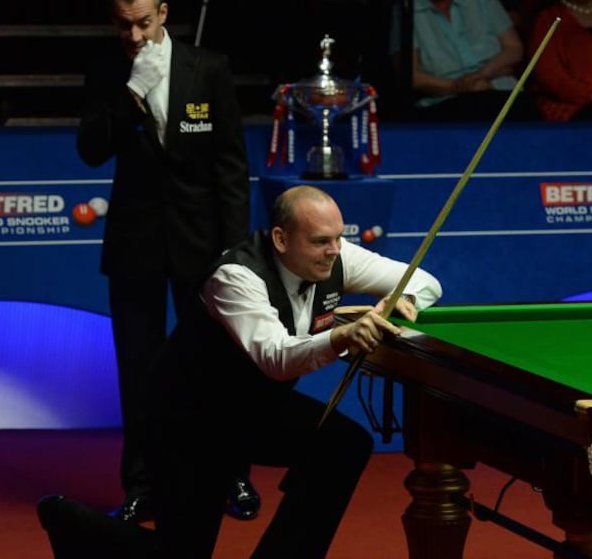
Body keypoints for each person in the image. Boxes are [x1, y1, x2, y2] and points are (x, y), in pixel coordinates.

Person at [36, 185, 444, 559]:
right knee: (180, 553)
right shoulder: (235, 277)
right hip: (187, 420)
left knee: (343, 445)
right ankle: (72, 521)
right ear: (281, 239)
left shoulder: (336, 257)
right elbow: (276, 358)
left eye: (338, 238)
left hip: (253, 408)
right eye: (320, 241)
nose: (334, 250)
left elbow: (425, 282)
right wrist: (342, 336)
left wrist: (397, 300)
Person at [75, 0, 259, 524]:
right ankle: (143, 487)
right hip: (134, 248)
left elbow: (230, 168)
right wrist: (132, 95)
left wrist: (235, 252)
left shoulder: (209, 68)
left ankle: (234, 477)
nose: (133, 36)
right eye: (122, 26)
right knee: (140, 371)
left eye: (142, 23)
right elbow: (91, 151)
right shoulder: (109, 72)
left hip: (204, 248)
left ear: (163, 14)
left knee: (220, 368)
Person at [389, 0, 540, 122]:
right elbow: (409, 75)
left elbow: (514, 49)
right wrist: (460, 87)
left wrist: (481, 75)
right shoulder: (407, 8)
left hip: (501, 90)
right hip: (446, 101)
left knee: (528, 112)